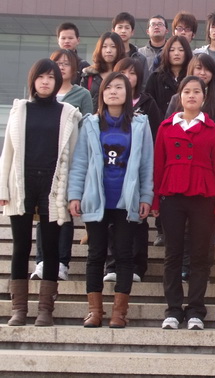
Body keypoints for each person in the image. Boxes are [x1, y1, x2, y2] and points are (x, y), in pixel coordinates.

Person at [68, 72, 153, 328]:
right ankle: (95, 311)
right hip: (96, 198)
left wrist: (146, 196)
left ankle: (119, 313)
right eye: (108, 87)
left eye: (118, 87)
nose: (113, 91)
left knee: (124, 255)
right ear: (102, 93)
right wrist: (75, 195)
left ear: (128, 93)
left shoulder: (140, 124)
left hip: (126, 201)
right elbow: (80, 162)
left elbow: (146, 164)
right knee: (95, 254)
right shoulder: (91, 123)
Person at [1, 58, 81, 327]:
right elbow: (7, 152)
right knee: (20, 246)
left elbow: (74, 155)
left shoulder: (68, 113)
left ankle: (46, 309)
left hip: (53, 185)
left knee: (50, 248)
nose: (45, 82)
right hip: (22, 184)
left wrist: (72, 192)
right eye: (40, 77)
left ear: (58, 81)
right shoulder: (20, 109)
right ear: (33, 80)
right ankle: (19, 309)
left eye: (50, 77)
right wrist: (3, 188)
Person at [152, 76, 215, 331]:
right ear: (180, 96)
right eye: (187, 91)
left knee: (200, 255)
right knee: (173, 254)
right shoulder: (166, 127)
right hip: (172, 195)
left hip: (203, 197)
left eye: (197, 91)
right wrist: (154, 199)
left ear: (204, 97)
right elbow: (158, 166)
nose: (191, 95)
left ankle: (196, 309)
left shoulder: (213, 129)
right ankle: (173, 309)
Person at [29, 49, 93, 282]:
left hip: (69, 161)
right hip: (40, 164)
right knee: (43, 215)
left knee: (63, 213)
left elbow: (87, 126)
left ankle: (62, 263)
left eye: (66, 63)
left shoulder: (81, 94)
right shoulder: (38, 97)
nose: (62, 67)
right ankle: (41, 261)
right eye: (58, 63)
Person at [100, 58, 162, 283]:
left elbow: (153, 136)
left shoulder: (147, 103)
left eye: (132, 73)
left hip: (136, 171)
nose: (127, 77)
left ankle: (137, 264)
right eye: (123, 72)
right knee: (110, 224)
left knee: (137, 223)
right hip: (110, 175)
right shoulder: (101, 113)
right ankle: (112, 264)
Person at [166, 53, 215, 136]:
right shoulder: (177, 99)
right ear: (191, 69)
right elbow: (167, 127)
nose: (202, 73)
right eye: (198, 68)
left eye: (207, 69)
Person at [144, 35, 193, 115]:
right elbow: (148, 105)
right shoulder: (155, 77)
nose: (176, 53)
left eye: (181, 50)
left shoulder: (192, 77)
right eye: (172, 50)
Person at [80, 32, 126, 112]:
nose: (108, 50)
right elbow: (82, 101)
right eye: (104, 47)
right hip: (93, 118)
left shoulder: (125, 75)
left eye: (113, 46)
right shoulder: (89, 76)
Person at [111, 12, 149, 82]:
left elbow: (144, 83)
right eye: (120, 27)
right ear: (113, 30)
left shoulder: (140, 59)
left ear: (132, 32)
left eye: (127, 28)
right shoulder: (109, 55)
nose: (123, 31)